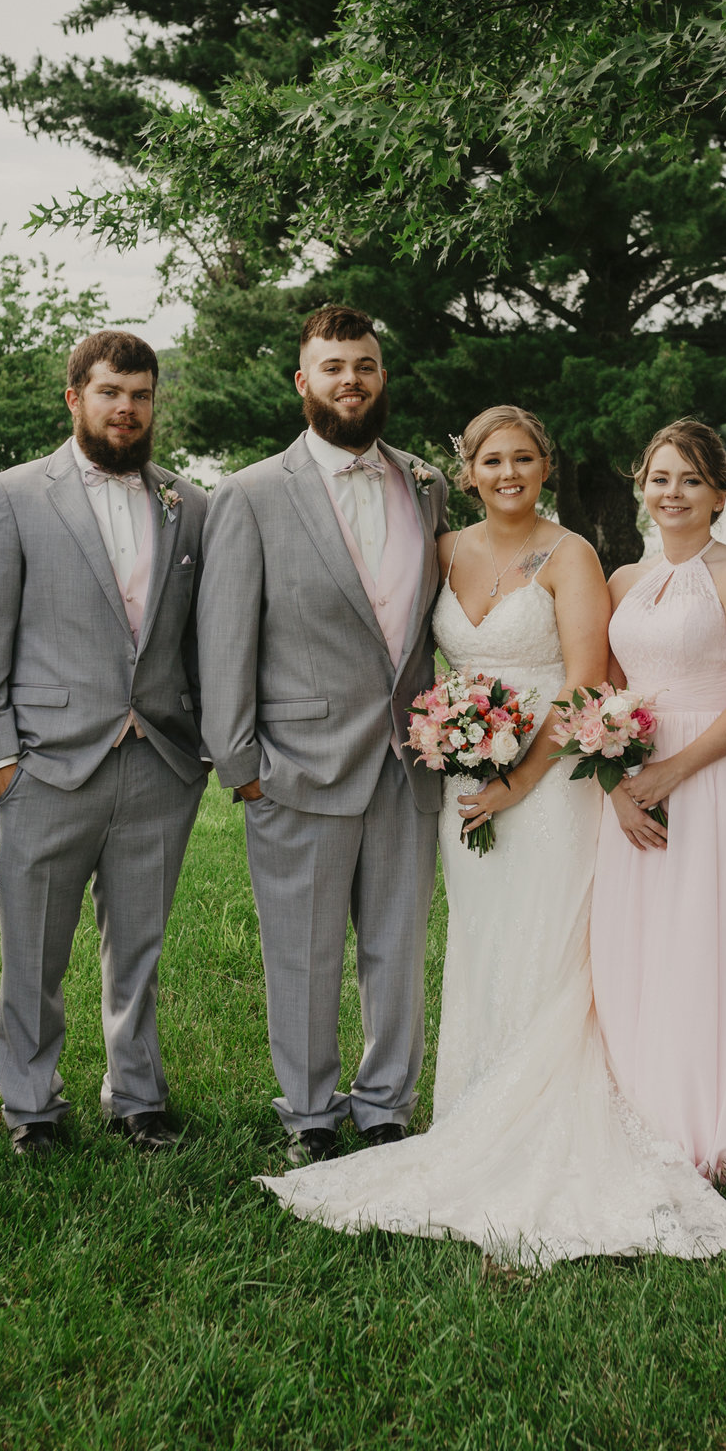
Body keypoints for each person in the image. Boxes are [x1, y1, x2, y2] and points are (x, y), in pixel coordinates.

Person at [260, 408, 726, 1265]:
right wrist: (447, 737)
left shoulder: (572, 555)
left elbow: (584, 679)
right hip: (464, 779)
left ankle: (540, 1109)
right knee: (482, 935)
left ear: (545, 466)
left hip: (550, 781)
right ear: (468, 472)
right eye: (492, 460)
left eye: (524, 457)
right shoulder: (443, 550)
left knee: (547, 938)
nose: (509, 472)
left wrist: (517, 778)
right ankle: (473, 1100)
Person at [197, 304, 447, 1167]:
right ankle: (308, 1108)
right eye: (334, 367)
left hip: (409, 761)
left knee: (398, 947)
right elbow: (225, 637)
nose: (352, 380)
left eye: (365, 365)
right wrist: (241, 764)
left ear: (383, 377)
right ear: (303, 381)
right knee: (301, 951)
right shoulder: (250, 493)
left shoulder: (425, 483)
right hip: (295, 763)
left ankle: (386, 1105)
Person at [0, 331, 211, 1159]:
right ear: (75, 398)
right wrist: (1, 758)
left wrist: (201, 747)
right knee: (33, 948)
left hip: (160, 759)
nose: (126, 409)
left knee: (137, 946)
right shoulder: (12, 496)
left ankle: (137, 1096)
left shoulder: (189, 503)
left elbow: (202, 637)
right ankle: (31, 1104)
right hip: (47, 760)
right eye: (110, 392)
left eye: (140, 395)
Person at [591, 420, 726, 1179]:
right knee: (640, 936)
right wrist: (618, 787)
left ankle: (712, 1113)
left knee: (707, 932)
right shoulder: (623, 580)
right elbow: (605, 692)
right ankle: (639, 1099)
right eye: (660, 478)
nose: (672, 493)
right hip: (634, 776)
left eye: (691, 480)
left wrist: (674, 770)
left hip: (715, 772)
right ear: (642, 487)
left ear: (719, 494)